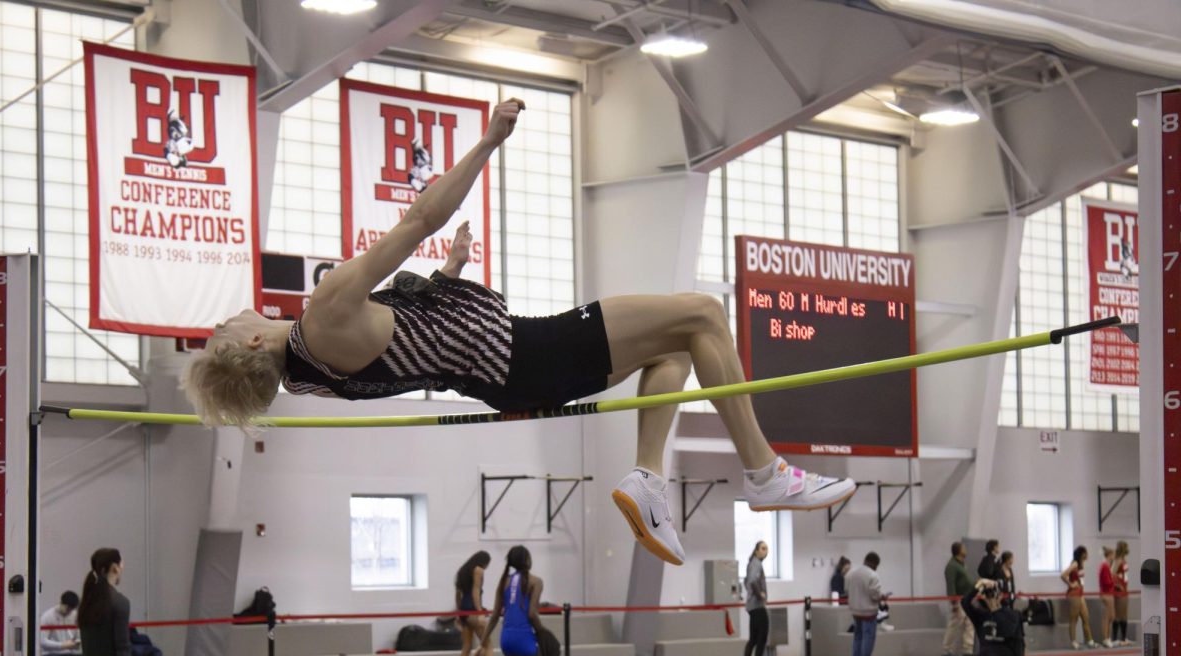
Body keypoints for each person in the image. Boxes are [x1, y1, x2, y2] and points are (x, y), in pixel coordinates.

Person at [182, 99, 856, 569]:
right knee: (704, 313)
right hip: (525, 351)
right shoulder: (323, 311)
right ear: (248, 344)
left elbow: (406, 341)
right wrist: (487, 143)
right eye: (225, 327)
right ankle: (765, 474)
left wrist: (448, 273)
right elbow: (418, 216)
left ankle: (649, 480)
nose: (230, 315)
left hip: (510, 373)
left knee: (682, 341)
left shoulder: (310, 369)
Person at [453, 550, 506, 656]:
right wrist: (479, 612)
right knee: (488, 644)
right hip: (472, 610)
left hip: (464, 610)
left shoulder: (463, 571)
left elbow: (458, 594)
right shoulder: (478, 570)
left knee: (466, 646)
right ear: (484, 562)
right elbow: (476, 591)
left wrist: (459, 613)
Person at [846, 552, 886, 656]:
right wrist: (882, 597)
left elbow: (847, 590)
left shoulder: (852, 573)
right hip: (868, 612)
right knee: (868, 638)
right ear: (874, 564)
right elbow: (875, 594)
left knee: (857, 637)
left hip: (855, 610)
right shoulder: (872, 575)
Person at [740, 541, 772, 656]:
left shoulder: (751, 563)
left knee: (753, 639)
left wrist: (751, 595)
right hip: (757, 606)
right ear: (757, 550)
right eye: (763, 548)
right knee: (761, 637)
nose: (766, 551)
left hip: (752, 606)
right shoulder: (756, 564)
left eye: (767, 549)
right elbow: (752, 581)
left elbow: (746, 582)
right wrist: (760, 595)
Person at [942, 541, 974, 656]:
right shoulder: (952, 566)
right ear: (958, 551)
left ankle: (968, 649)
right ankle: (947, 649)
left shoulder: (961, 564)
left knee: (969, 623)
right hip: (958, 600)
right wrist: (954, 603)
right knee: (955, 623)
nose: (965, 549)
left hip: (966, 599)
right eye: (963, 548)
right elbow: (951, 585)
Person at [1061, 546, 1097, 649]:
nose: (1087, 555)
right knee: (1074, 618)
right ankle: (1073, 641)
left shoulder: (1081, 564)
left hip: (1080, 594)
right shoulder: (1075, 564)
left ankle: (1089, 640)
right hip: (1074, 594)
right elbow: (1063, 575)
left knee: (1086, 617)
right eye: (1086, 553)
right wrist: (1070, 584)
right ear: (1082, 554)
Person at [1113, 540, 1132, 646]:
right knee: (1118, 615)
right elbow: (1111, 574)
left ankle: (1124, 638)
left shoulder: (1124, 560)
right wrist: (1117, 585)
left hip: (1125, 589)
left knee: (1124, 615)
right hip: (1119, 591)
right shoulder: (1118, 560)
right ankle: (1115, 638)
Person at [1098, 546, 1116, 648]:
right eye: (1113, 555)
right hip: (1106, 594)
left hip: (1109, 593)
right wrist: (1114, 581)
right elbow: (1106, 582)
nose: (1114, 557)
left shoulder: (1107, 565)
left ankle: (1108, 637)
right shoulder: (1104, 566)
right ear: (1109, 555)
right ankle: (1105, 638)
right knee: (1107, 617)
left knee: (1111, 616)